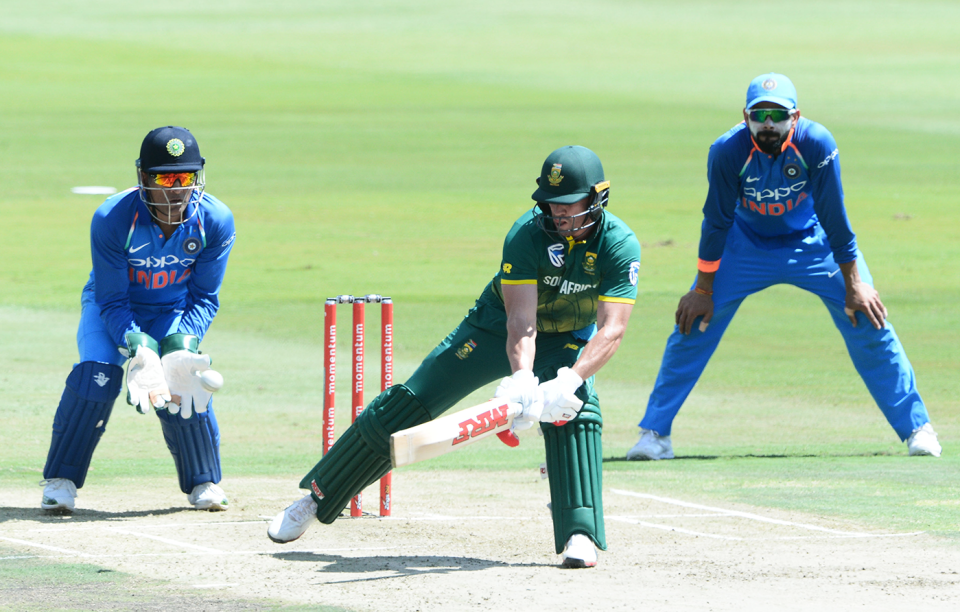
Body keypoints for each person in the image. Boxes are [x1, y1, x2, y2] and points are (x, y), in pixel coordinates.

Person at [267, 145, 641, 568]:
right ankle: (315, 499)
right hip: (494, 325)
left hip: (567, 338)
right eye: (550, 204)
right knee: (409, 402)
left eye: (568, 204)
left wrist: (569, 381)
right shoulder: (526, 234)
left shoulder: (618, 244)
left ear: (596, 197)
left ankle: (580, 533)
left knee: (577, 411)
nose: (558, 214)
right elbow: (521, 322)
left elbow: (612, 329)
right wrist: (522, 381)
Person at [628, 73, 941, 461]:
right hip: (744, 246)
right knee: (694, 324)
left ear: (796, 116)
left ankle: (917, 428)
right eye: (759, 115)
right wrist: (703, 290)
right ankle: (655, 435)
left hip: (811, 243)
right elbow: (716, 220)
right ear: (745, 116)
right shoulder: (727, 151)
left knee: (867, 317)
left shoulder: (816, 143)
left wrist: (854, 282)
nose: (768, 124)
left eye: (778, 115)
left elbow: (835, 215)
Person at [40, 126, 237, 513]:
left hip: (172, 312)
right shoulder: (112, 218)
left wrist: (182, 346)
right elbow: (112, 300)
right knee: (96, 376)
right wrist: (141, 350)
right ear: (144, 178)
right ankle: (60, 481)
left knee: (181, 381)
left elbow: (204, 298)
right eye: (166, 177)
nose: (177, 189)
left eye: (186, 178)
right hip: (110, 307)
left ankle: (204, 482)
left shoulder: (215, 220)